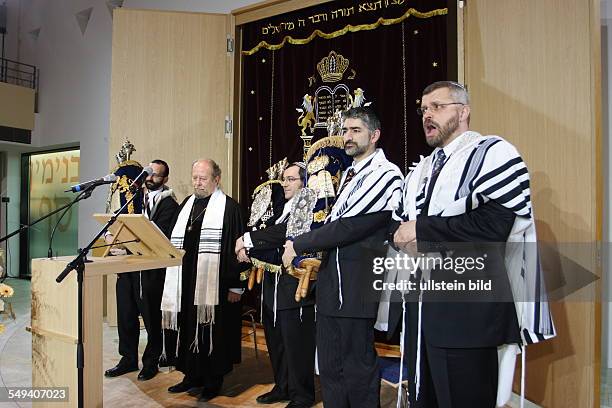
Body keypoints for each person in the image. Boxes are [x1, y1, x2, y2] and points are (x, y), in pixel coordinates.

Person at [386, 81, 555, 407]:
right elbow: (396, 227)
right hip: (420, 315)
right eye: (423, 109)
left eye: (437, 106)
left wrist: (422, 230)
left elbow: (495, 225)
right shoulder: (420, 169)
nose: (427, 115)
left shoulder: (493, 152)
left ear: (463, 111)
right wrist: (404, 238)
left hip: (467, 314)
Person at [282, 107, 403, 408]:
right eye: (345, 130)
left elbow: (350, 226)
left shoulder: (386, 174)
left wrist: (298, 243)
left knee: (357, 370)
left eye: (356, 131)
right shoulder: (350, 174)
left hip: (357, 285)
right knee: (331, 370)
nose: (347, 137)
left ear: (374, 135)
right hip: (331, 285)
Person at [161, 159, 248, 401]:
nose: (197, 183)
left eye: (203, 178)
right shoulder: (186, 205)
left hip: (217, 285)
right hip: (186, 283)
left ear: (216, 179)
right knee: (188, 327)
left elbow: (241, 252)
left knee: (212, 332)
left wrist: (236, 286)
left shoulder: (230, 209)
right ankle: (191, 375)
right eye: (195, 177)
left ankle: (212, 380)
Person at [235, 163, 316, 408]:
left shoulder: (308, 205)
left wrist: (247, 240)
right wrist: (250, 248)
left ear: (304, 182)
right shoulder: (280, 207)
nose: (285, 183)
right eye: (284, 179)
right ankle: (282, 387)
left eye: (291, 179)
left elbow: (284, 233)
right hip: (272, 287)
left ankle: (302, 395)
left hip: (294, 287)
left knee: (296, 345)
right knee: (276, 341)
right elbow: (268, 231)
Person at [104, 159, 178, 381]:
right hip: (127, 268)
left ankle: (150, 362)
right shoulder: (134, 198)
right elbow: (116, 222)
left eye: (156, 175)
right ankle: (127, 359)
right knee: (125, 315)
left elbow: (161, 235)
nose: (149, 178)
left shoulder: (170, 205)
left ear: (165, 179)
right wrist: (110, 236)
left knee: (151, 318)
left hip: (150, 271)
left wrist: (129, 242)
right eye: (148, 173)